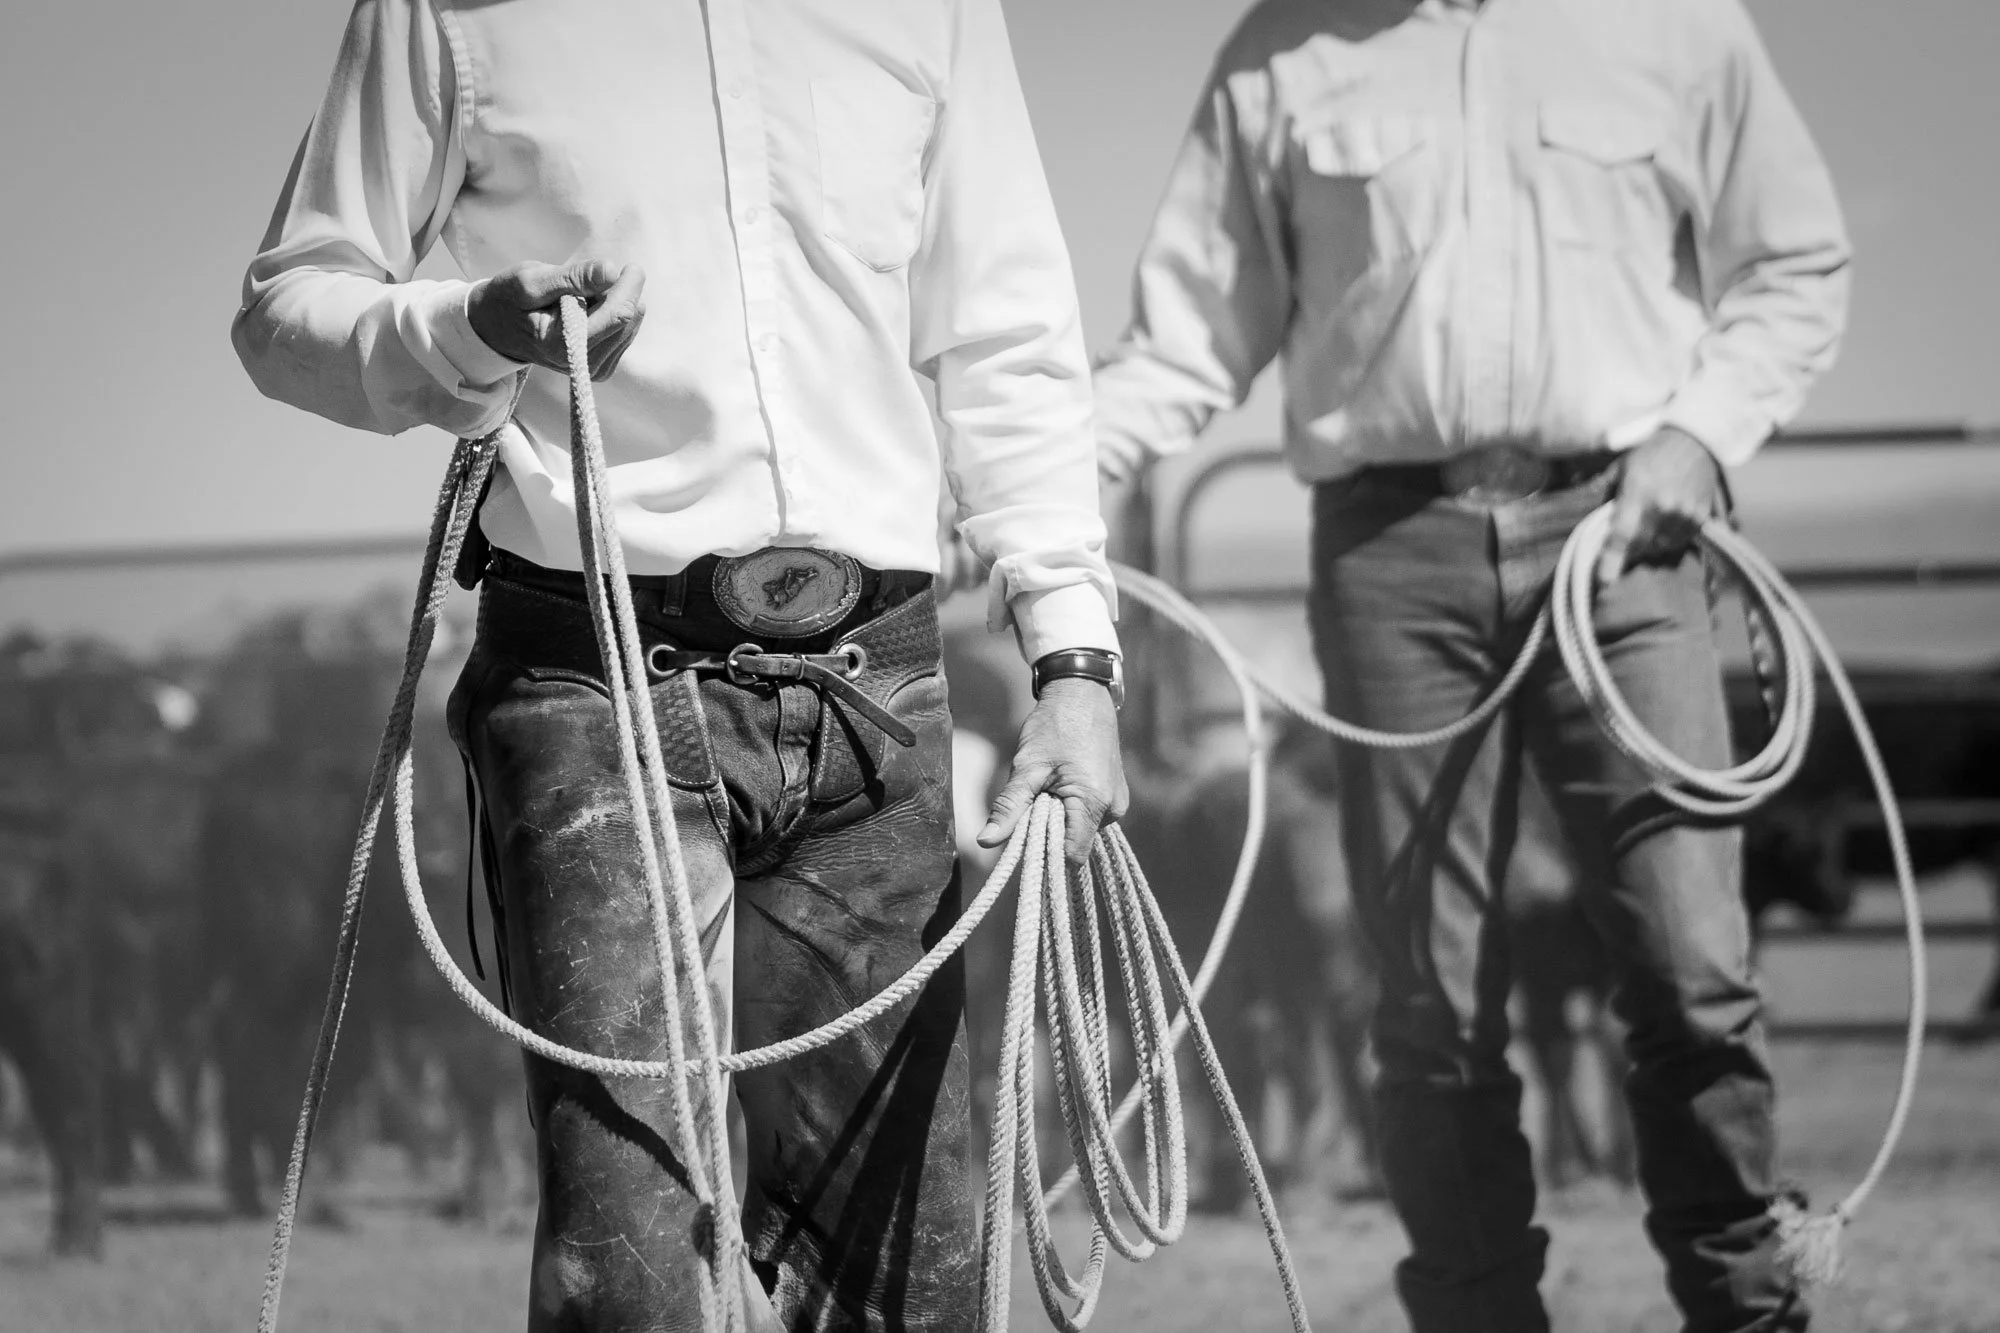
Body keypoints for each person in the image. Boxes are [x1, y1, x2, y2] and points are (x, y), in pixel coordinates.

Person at [231, 1, 1127, 1328]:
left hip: (877, 690)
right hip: (593, 693)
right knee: (634, 1277)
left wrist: (1075, 661)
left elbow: (1009, 338)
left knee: (913, 1274)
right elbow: (286, 308)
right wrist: (470, 329)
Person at [1092, 2, 1848, 1330]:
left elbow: (1793, 265)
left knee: (1692, 967)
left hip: (1628, 535)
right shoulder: (1284, 51)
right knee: (1429, 1005)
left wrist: (1700, 439)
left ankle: (1749, 1306)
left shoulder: (1674, 26)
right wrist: (1038, 486)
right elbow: (1190, 333)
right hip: (1394, 557)